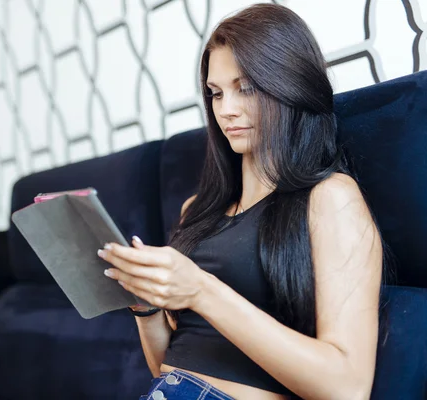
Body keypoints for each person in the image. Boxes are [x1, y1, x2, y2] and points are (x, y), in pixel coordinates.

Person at [97, 3, 385, 400]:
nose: (225, 111)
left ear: (290, 84)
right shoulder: (197, 212)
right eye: (216, 94)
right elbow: (171, 365)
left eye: (246, 88)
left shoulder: (330, 199)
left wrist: (201, 290)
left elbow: (347, 388)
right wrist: (145, 306)